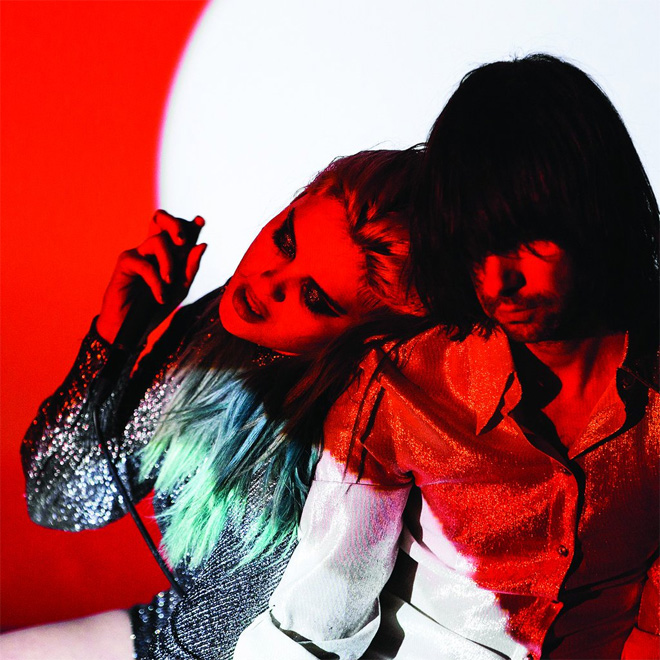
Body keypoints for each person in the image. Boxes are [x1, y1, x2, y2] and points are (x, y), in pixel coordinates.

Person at [234, 54, 659, 659]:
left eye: (526, 240)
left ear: (595, 214)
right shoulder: (404, 384)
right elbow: (315, 623)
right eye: (474, 246)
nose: (498, 280)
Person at [3, 148, 427, 660]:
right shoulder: (227, 326)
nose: (268, 282)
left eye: (314, 297)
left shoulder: (338, 439)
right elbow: (65, 500)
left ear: (366, 339)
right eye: (285, 241)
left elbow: (238, 642)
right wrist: (117, 335)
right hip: (170, 629)